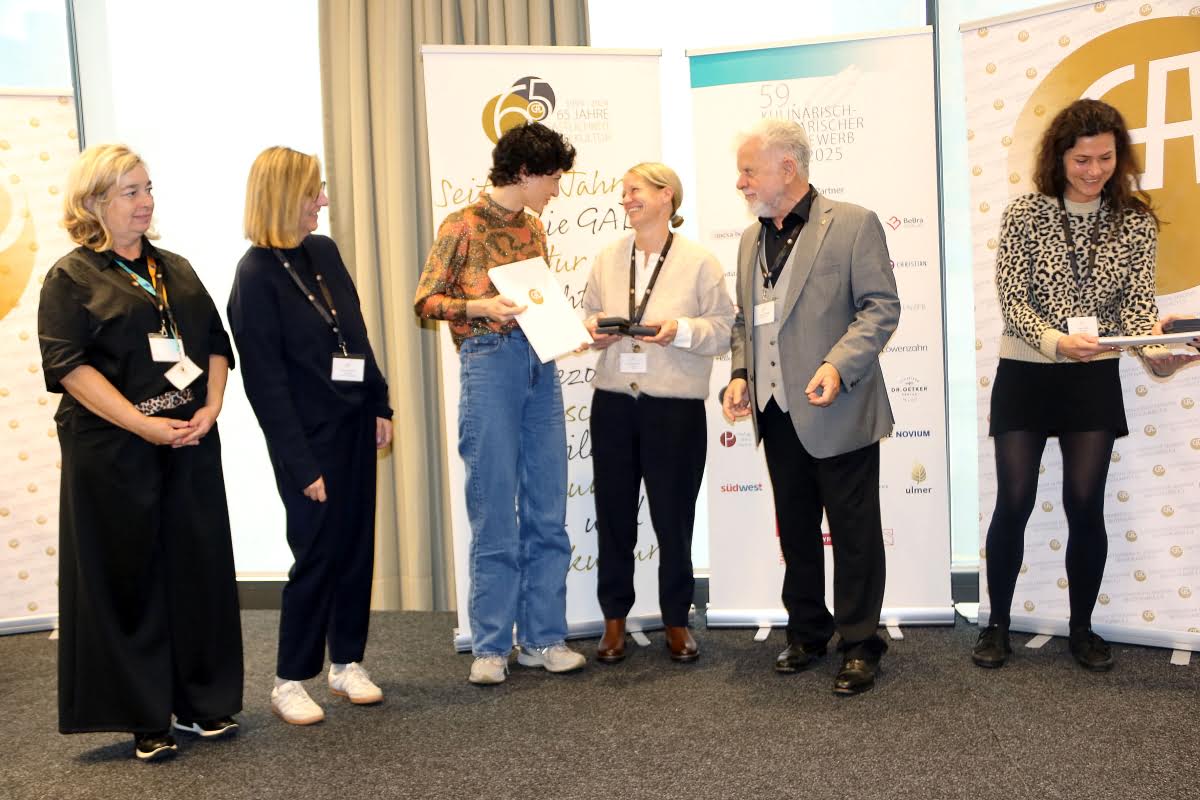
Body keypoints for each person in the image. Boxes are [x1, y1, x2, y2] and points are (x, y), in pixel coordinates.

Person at [38, 144, 242, 760]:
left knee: (197, 567)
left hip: (189, 441)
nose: (146, 201)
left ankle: (203, 700)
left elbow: (215, 344)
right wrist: (141, 425)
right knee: (131, 577)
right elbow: (69, 369)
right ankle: (146, 715)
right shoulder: (71, 277)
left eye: (148, 188)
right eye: (131, 192)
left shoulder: (174, 267)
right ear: (94, 201)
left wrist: (211, 406)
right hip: (113, 452)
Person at [973, 99, 1183, 672]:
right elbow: (1013, 299)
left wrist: (1159, 356)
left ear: (1120, 157)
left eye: (1105, 158)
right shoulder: (1026, 213)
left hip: (1093, 378)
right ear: (1059, 157)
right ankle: (997, 625)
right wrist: (1056, 342)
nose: (1094, 171)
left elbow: (1137, 311)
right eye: (1082, 159)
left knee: (1085, 504)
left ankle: (1082, 628)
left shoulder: (1134, 222)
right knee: (1014, 501)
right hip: (1027, 373)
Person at [720, 119, 899, 695]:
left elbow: (880, 308)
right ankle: (806, 632)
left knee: (853, 532)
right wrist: (741, 374)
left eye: (749, 171)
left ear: (787, 168)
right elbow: (746, 321)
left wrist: (838, 365)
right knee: (796, 529)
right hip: (775, 410)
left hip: (838, 405)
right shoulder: (749, 240)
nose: (741, 182)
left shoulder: (853, 223)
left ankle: (861, 643)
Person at [414, 122, 586, 685]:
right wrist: (479, 307)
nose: (556, 190)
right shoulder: (461, 224)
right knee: (493, 507)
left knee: (547, 505)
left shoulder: (533, 228)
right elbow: (426, 299)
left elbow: (539, 301)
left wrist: (566, 329)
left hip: (541, 362)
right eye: (552, 178)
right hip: (489, 362)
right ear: (526, 173)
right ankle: (490, 646)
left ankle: (543, 638)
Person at [228, 147, 393, 723]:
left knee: (356, 546)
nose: (322, 200)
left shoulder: (322, 251)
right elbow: (265, 385)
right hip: (307, 441)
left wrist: (379, 401)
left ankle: (347, 662)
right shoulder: (254, 276)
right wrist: (300, 464)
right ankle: (289, 679)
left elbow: (355, 333)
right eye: (312, 192)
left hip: (354, 424)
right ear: (281, 197)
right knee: (316, 555)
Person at [583, 162, 734, 663]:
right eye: (623, 192)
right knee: (614, 516)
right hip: (613, 404)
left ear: (666, 195)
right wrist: (595, 331)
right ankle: (614, 621)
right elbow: (586, 316)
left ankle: (676, 619)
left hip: (674, 410)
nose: (625, 199)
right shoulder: (607, 258)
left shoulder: (699, 262)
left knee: (674, 519)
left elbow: (723, 329)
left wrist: (680, 330)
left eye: (635, 190)